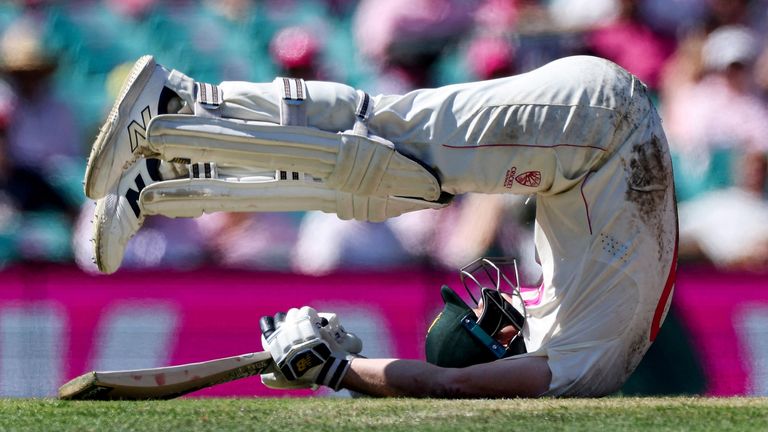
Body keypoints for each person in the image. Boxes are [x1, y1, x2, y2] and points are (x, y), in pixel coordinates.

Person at [82, 53, 677, 397]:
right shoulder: (575, 370)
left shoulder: (568, 335)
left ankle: (164, 178)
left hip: (597, 140)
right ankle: (181, 98)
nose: (493, 306)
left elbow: (466, 380)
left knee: (386, 184)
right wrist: (339, 371)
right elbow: (454, 386)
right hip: (602, 129)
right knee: (388, 140)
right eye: (489, 325)